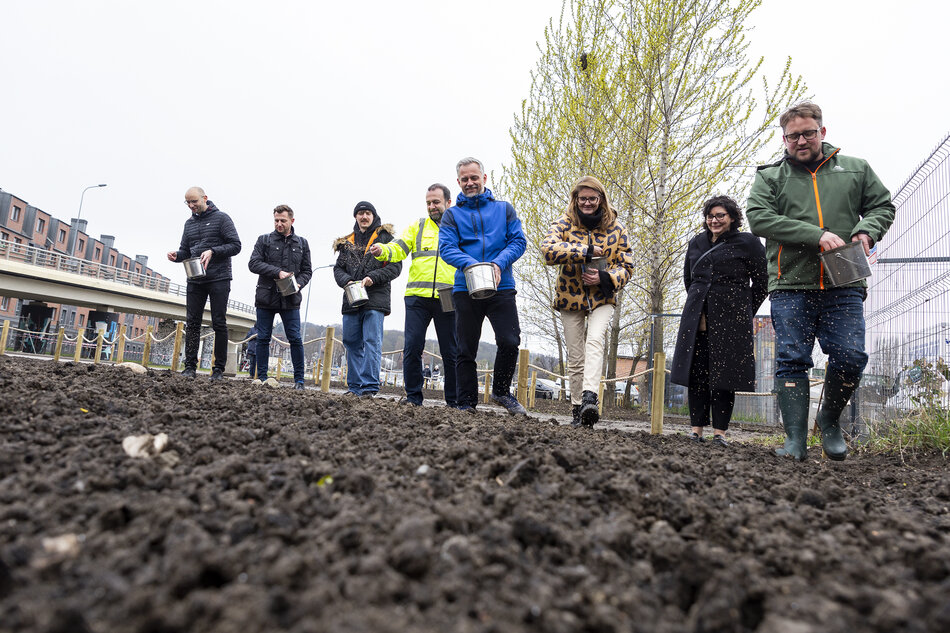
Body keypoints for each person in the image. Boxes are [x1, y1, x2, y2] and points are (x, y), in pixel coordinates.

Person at [747, 102, 895, 461]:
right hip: (790, 282)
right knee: (792, 359)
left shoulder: (855, 170)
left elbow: (882, 207)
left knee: (851, 354)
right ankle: (795, 440)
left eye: (808, 133)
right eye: (793, 135)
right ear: (784, 139)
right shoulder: (770, 177)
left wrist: (866, 232)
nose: (801, 140)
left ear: (822, 132)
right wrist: (815, 235)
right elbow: (759, 218)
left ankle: (828, 421)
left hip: (844, 280)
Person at [670, 196, 768, 445]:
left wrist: (743, 310)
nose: (714, 220)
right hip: (697, 317)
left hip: (732, 318)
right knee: (697, 373)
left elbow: (761, 283)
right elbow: (689, 279)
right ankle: (696, 430)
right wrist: (699, 303)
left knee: (724, 376)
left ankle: (720, 433)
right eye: (710, 216)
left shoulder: (749, 242)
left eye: (720, 215)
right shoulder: (696, 242)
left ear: (732, 217)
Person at [540, 176, 635, 428]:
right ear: (575, 199)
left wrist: (605, 277)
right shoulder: (564, 222)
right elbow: (548, 250)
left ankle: (590, 398)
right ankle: (577, 409)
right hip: (570, 297)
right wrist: (583, 251)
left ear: (601, 199)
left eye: (592, 198)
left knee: (595, 340)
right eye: (582, 198)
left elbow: (627, 267)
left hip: (603, 296)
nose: (587, 203)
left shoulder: (616, 229)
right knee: (575, 355)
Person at [438, 157, 528, 414]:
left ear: (484, 178)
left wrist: (498, 264)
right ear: (458, 182)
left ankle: (501, 391)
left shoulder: (504, 209)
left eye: (474, 177)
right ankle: (466, 402)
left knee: (510, 340)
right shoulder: (452, 215)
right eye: (464, 179)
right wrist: (470, 264)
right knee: (465, 347)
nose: (470, 183)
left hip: (502, 285)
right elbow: (447, 248)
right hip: (465, 287)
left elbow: (518, 242)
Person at [370, 184, 459, 408]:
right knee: (412, 348)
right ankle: (413, 398)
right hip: (417, 298)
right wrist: (384, 250)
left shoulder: (460, 227)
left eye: (436, 202)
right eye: (428, 203)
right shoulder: (418, 227)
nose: (432, 206)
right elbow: (398, 247)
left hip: (448, 296)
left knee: (451, 350)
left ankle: (454, 401)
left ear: (448, 202)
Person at [167, 186, 241, 380]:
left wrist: (213, 251)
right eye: (188, 203)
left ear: (205, 198)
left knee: (219, 322)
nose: (191, 206)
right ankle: (190, 367)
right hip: (195, 279)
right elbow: (186, 250)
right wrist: (176, 256)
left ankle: (218, 370)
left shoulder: (222, 219)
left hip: (219, 277)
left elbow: (236, 245)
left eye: (194, 202)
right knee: (192, 322)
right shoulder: (188, 224)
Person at [333, 201, 402, 398]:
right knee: (351, 341)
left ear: (374, 216)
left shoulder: (385, 238)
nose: (364, 217)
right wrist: (346, 281)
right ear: (355, 217)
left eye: (368, 213)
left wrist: (374, 278)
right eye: (360, 213)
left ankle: (369, 386)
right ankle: (354, 387)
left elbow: (396, 267)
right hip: (351, 298)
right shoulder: (347, 242)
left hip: (375, 298)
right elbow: (338, 268)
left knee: (372, 340)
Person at [248, 205, 313, 390]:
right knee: (262, 338)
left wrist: (299, 283)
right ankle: (262, 377)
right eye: (276, 220)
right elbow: (253, 263)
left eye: (283, 220)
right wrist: (278, 272)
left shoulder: (302, 243)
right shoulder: (264, 240)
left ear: (292, 221)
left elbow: (307, 271)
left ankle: (299, 381)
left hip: (291, 298)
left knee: (295, 339)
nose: (279, 224)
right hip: (266, 296)